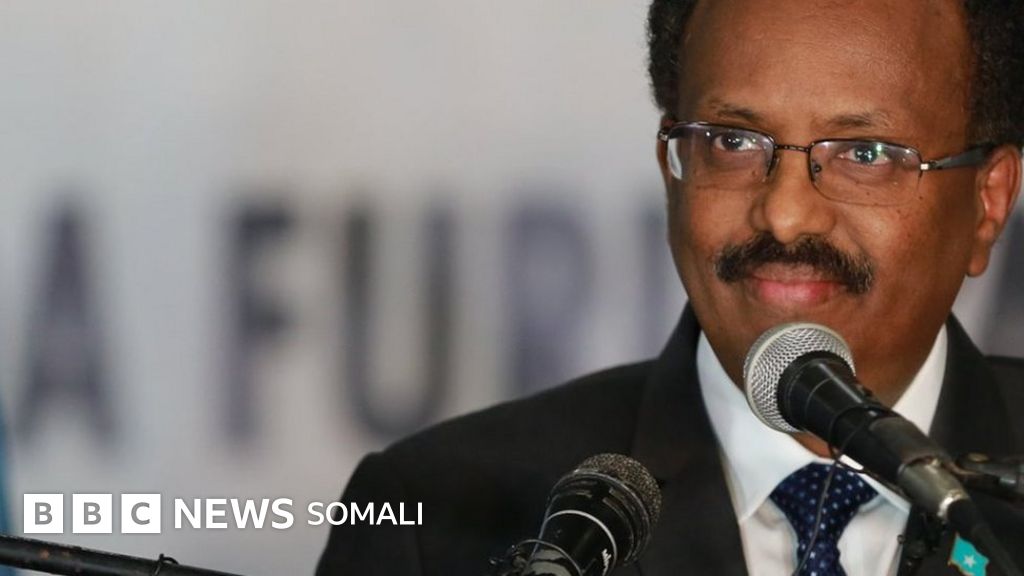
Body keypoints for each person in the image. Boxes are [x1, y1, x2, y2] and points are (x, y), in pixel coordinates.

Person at [316, 1, 1024, 574]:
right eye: (732, 142)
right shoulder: (438, 518)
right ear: (669, 169)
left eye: (866, 154)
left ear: (988, 201)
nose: (784, 215)